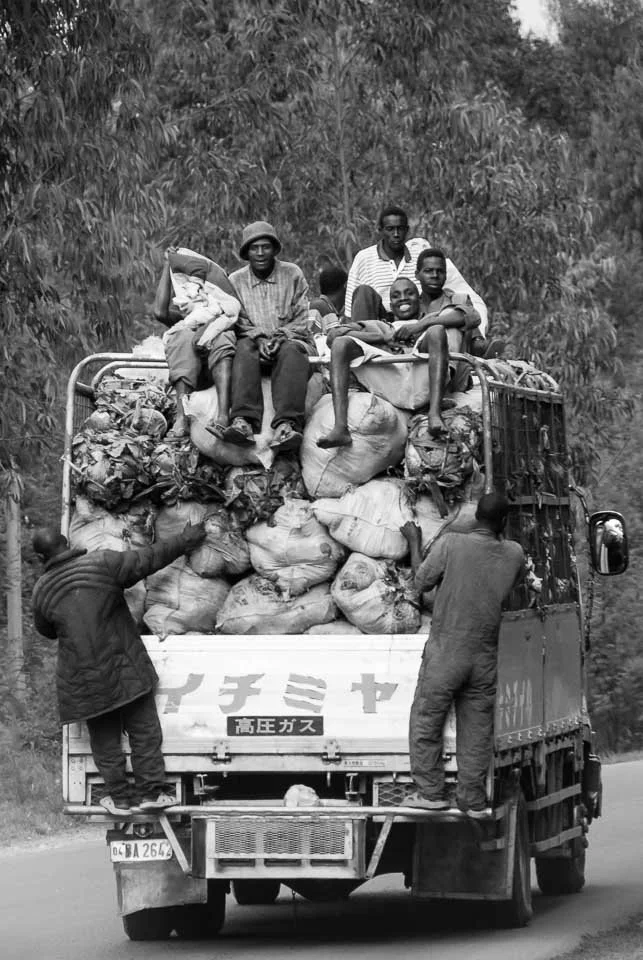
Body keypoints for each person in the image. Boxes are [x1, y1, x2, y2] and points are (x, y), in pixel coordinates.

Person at [31, 521, 207, 815]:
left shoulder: (41, 592)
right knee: (144, 730)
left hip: (82, 681)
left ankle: (120, 798)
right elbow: (150, 558)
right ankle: (152, 791)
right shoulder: (103, 563)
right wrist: (186, 539)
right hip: (123, 666)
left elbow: (47, 630)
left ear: (41, 558)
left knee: (104, 740)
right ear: (66, 542)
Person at [401, 493, 526, 817]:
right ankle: (471, 799)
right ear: (503, 523)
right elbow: (512, 582)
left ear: (474, 518)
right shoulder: (514, 555)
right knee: (477, 730)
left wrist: (414, 541)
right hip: (483, 657)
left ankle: (430, 792)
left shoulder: (453, 544)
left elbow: (421, 583)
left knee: (427, 717)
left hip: (447, 652)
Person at [317, 250, 480, 447]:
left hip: (422, 379)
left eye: (409, 293)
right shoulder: (382, 325)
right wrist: (382, 338)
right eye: (396, 296)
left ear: (419, 299)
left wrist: (419, 327)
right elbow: (333, 336)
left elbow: (469, 316)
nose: (403, 299)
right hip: (391, 382)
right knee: (341, 344)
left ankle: (434, 414)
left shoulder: (429, 320)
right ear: (390, 306)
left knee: (437, 331)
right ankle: (340, 428)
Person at [224, 221, 312, 453]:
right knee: (242, 347)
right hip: (254, 344)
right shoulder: (235, 280)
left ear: (274, 249)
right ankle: (243, 420)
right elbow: (237, 319)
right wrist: (259, 338)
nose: (261, 253)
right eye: (254, 248)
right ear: (246, 253)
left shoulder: (292, 273)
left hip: (289, 341)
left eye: (266, 247)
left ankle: (287, 424)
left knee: (292, 351)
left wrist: (281, 337)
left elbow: (303, 317)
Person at [344, 203, 488, 335]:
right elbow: (351, 311)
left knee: (454, 299)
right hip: (381, 321)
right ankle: (362, 344)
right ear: (380, 230)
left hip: (419, 316)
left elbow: (458, 292)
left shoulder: (419, 254)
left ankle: (475, 344)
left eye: (400, 229)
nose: (395, 234)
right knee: (363, 292)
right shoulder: (364, 258)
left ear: (407, 230)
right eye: (390, 229)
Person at [153, 247, 244, 440]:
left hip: (220, 375)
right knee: (182, 337)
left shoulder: (224, 319)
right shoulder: (186, 323)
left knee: (223, 338)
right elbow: (160, 313)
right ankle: (181, 417)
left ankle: (222, 416)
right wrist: (169, 264)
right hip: (192, 380)